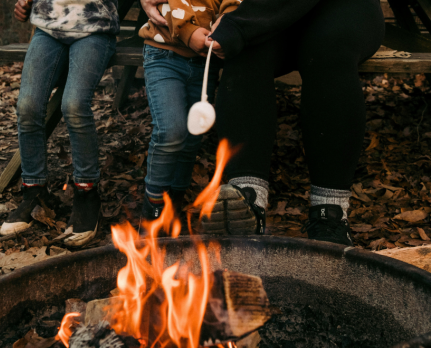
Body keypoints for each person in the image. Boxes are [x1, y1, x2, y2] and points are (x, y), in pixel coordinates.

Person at [192, 0, 385, 244]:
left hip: (344, 9)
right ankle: (247, 200)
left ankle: (330, 213)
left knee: (328, 47)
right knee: (246, 49)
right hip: (263, 11)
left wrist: (240, 23)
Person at [0, 0, 119, 246]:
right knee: (27, 107)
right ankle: (34, 192)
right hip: (48, 28)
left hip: (94, 28)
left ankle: (87, 193)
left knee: (74, 105)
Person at [137, 0, 240, 221]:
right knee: (171, 132)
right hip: (164, 54)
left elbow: (233, 3)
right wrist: (187, 30)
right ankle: (153, 212)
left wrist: (227, 23)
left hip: (205, 62)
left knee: (193, 136)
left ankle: (174, 205)